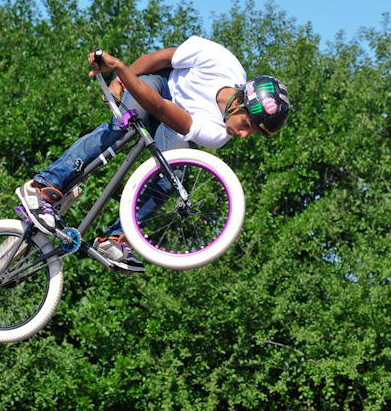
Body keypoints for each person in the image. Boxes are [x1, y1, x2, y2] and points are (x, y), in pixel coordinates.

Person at [16, 36, 290, 272]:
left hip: (171, 115)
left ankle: (117, 239)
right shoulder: (220, 60)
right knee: (120, 127)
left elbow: (161, 110)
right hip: (159, 82)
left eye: (251, 133)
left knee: (173, 176)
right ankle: (41, 187)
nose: (242, 135)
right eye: (246, 126)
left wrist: (121, 71)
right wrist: (120, 79)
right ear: (241, 102)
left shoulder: (219, 136)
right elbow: (160, 59)